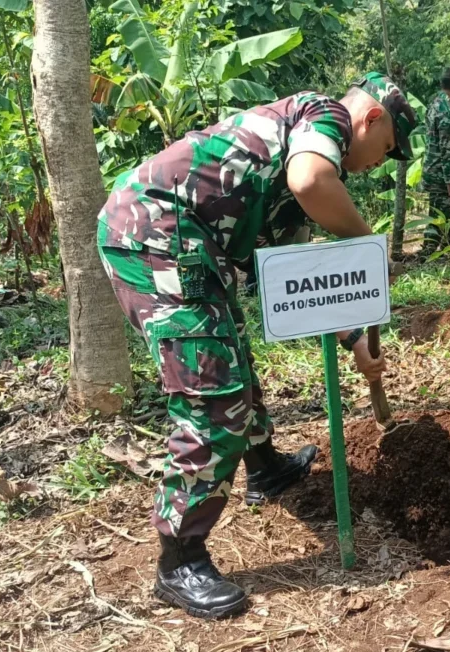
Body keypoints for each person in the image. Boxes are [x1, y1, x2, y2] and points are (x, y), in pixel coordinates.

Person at [97, 73, 413, 620]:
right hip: (153, 235)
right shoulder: (324, 118)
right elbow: (314, 181)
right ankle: (180, 559)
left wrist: (357, 339)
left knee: (233, 354)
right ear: (371, 119)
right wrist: (367, 243)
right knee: (214, 396)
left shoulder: (290, 174)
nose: (375, 167)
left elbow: (304, 283)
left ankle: (264, 465)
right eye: (383, 152)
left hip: (192, 246)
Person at [420, 67, 450, 258]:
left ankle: (449, 240)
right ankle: (428, 252)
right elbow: (449, 150)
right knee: (439, 213)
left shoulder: (436, 103)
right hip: (441, 172)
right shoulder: (447, 113)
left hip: (434, 169)